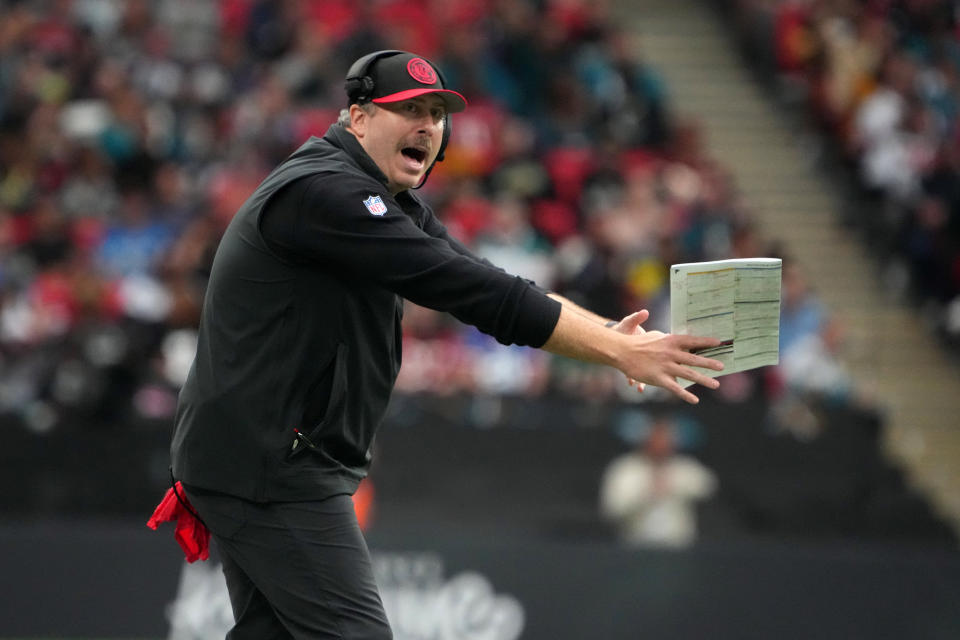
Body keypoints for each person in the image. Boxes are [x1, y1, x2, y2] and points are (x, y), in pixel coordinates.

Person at [157, 50, 724, 639]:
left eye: (437, 113)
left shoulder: (382, 198)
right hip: (270, 466)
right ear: (357, 118)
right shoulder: (326, 193)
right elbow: (474, 292)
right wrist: (615, 352)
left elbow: (482, 277)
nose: (428, 126)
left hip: (260, 455)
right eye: (409, 110)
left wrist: (614, 337)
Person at [600, 415, 718, 548]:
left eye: (666, 437)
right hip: (635, 547)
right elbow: (612, 510)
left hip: (678, 546)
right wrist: (646, 494)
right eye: (657, 436)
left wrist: (674, 485)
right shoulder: (625, 469)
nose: (662, 443)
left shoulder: (684, 467)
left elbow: (708, 487)